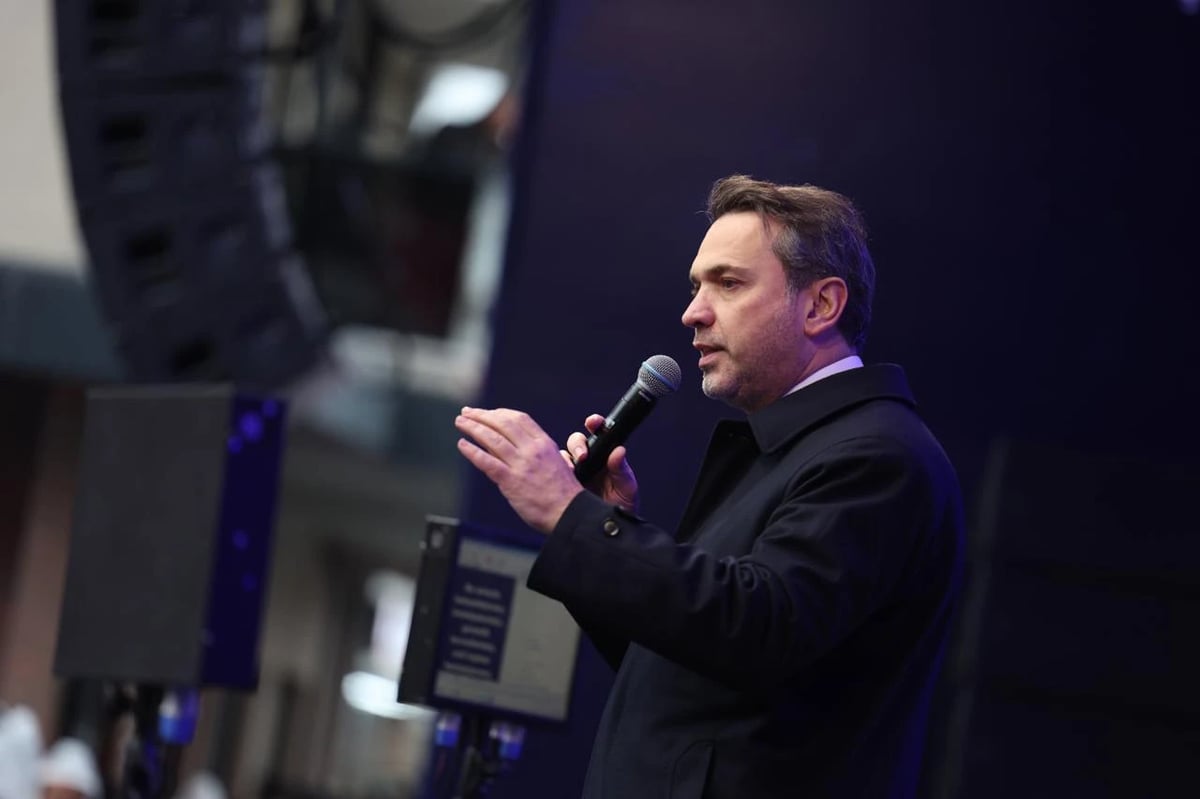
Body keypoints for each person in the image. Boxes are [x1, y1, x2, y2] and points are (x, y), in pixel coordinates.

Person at [454, 175, 964, 798]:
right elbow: (685, 665)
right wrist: (604, 524)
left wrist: (574, 518)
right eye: (696, 286)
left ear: (821, 306)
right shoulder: (794, 451)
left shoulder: (878, 456)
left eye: (728, 283)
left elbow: (761, 630)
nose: (693, 312)